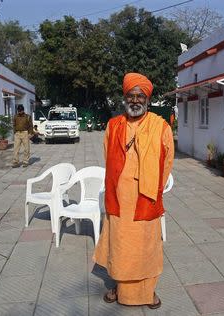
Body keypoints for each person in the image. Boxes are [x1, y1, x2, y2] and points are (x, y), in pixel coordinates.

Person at [93, 72, 174, 309]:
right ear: (125, 97)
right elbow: (108, 156)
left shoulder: (160, 127)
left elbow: (168, 160)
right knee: (120, 245)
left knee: (146, 247)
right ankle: (119, 287)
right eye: (131, 95)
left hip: (145, 198)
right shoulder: (113, 125)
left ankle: (148, 291)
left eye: (140, 96)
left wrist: (154, 187)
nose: (135, 100)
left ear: (147, 99)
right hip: (120, 198)